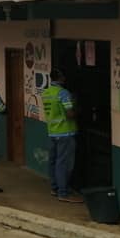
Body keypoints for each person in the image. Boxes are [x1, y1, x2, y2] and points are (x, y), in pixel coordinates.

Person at [42, 69, 82, 203]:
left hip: (52, 132)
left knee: (53, 161)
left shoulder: (46, 92)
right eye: (63, 76)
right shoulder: (63, 93)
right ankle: (63, 193)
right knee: (64, 164)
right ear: (60, 77)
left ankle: (55, 188)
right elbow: (70, 114)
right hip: (65, 132)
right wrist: (78, 108)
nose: (65, 78)